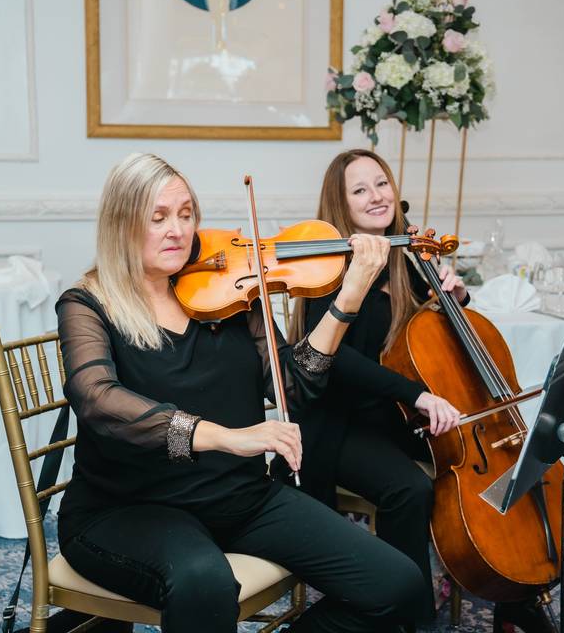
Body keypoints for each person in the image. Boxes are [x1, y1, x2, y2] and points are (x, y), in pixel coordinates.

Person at [55, 152, 425, 633]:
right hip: (127, 508)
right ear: (121, 223)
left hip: (240, 497)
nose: (178, 231)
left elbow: (293, 385)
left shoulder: (227, 288)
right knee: (205, 582)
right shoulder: (89, 302)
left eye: (186, 214)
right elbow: (97, 399)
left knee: (398, 585)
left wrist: (350, 293)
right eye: (159, 217)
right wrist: (228, 437)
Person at [290, 149, 556, 633]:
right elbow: (338, 360)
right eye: (360, 190)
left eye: (382, 183)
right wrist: (417, 395)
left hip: (395, 414)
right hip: (339, 420)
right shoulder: (328, 266)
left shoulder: (405, 258)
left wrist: (454, 298)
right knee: (409, 488)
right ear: (340, 203)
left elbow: (431, 342)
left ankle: (514, 595)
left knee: (508, 462)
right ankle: (404, 614)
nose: (377, 196)